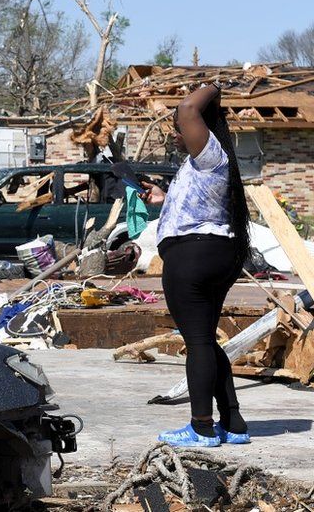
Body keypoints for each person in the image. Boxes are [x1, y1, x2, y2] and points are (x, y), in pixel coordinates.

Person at [141, 82, 251, 447]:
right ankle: (233, 423)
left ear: (201, 126)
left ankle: (201, 427)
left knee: (198, 342)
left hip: (193, 257)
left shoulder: (210, 153)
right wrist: (160, 198)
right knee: (205, 339)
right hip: (212, 252)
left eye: (181, 127)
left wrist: (214, 88)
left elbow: (189, 109)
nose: (177, 132)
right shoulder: (204, 162)